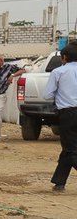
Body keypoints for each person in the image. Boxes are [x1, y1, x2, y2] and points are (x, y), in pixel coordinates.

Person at [45, 43, 77, 191]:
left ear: (64, 57)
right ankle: (59, 182)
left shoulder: (58, 72)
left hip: (69, 113)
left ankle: (59, 182)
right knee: (68, 149)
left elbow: (48, 95)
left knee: (70, 149)